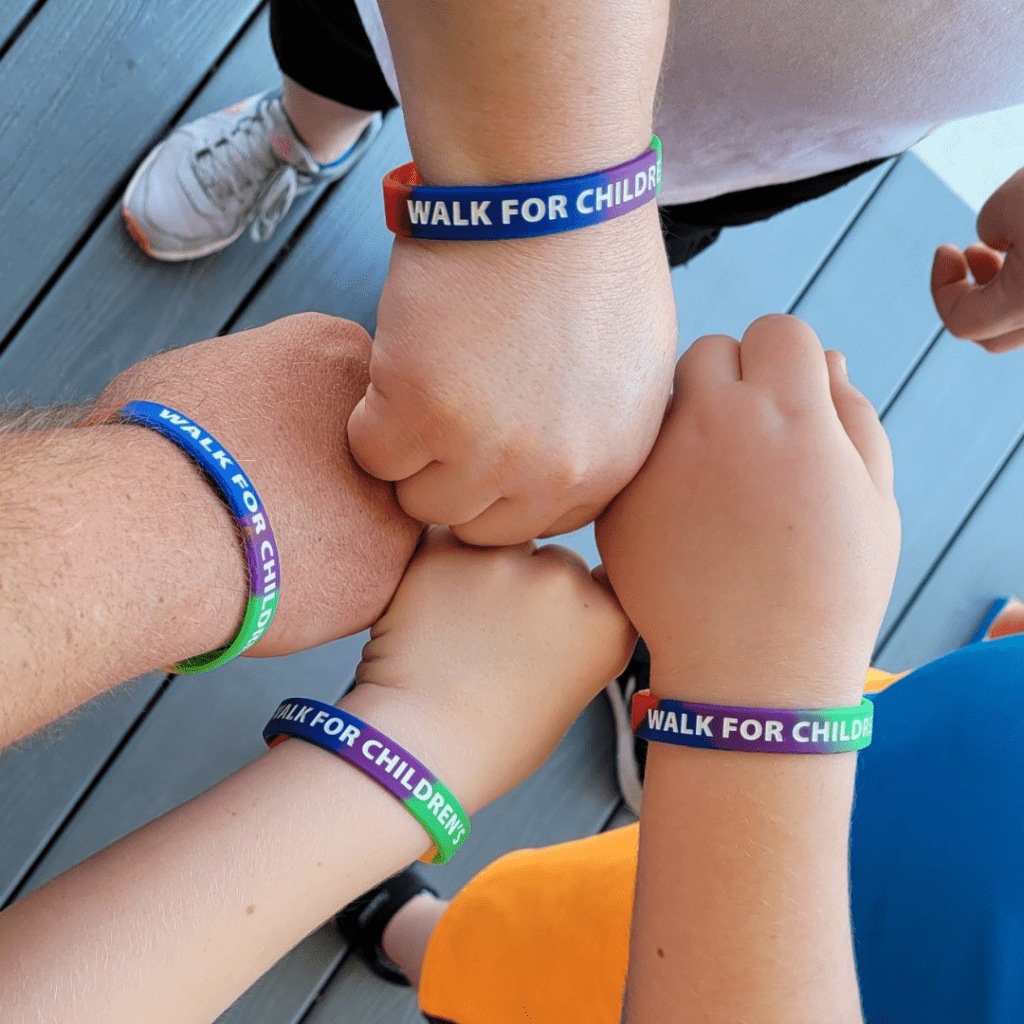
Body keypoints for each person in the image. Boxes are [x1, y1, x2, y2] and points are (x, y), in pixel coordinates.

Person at [120, 0, 1024, 551]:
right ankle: (304, 134)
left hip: (766, 138)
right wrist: (552, 217)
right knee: (337, 52)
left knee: (665, 227)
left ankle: (491, 346)